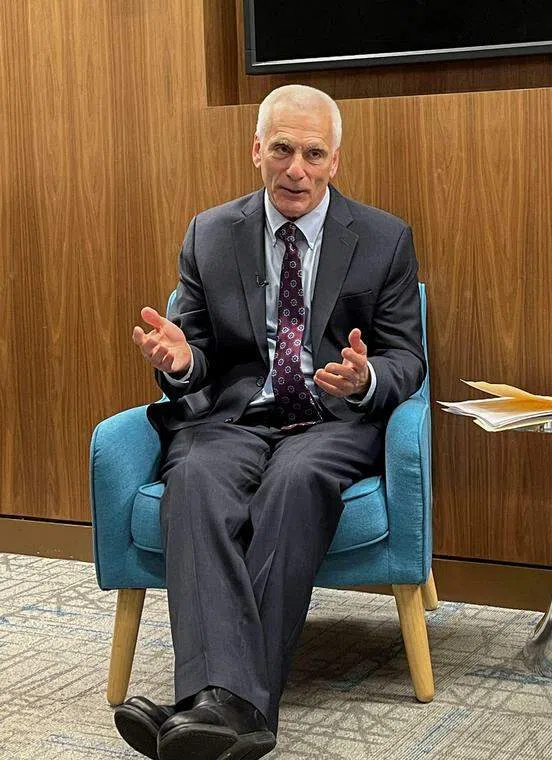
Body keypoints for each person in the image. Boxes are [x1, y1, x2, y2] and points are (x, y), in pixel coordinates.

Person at [114, 84, 425, 760]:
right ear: (257, 149)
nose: (296, 170)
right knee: (193, 476)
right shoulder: (210, 232)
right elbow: (192, 352)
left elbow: (407, 356)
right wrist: (178, 361)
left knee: (296, 481)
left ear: (335, 161)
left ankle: (210, 701)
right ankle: (236, 713)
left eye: (314, 154)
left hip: (330, 421)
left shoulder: (383, 238)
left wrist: (365, 378)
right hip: (233, 419)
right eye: (282, 149)